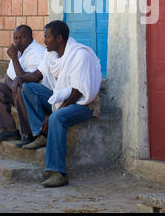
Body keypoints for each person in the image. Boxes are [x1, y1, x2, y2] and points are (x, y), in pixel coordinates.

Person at [14, 20, 102, 188]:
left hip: (84, 104)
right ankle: (40, 135)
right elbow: (37, 74)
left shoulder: (79, 55)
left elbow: (77, 92)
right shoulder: (50, 54)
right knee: (28, 88)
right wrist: (20, 79)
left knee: (57, 118)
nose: (44, 40)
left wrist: (54, 114)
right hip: (61, 98)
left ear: (59, 38)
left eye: (47, 37)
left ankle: (58, 173)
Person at [0, 25, 47, 148]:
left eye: (22, 37)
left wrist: (14, 58)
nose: (17, 41)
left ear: (31, 37)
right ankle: (10, 131)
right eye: (15, 38)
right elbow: (8, 77)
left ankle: (28, 134)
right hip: (19, 92)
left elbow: (27, 80)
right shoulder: (19, 51)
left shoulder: (37, 52)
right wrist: (13, 83)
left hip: (35, 97)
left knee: (21, 89)